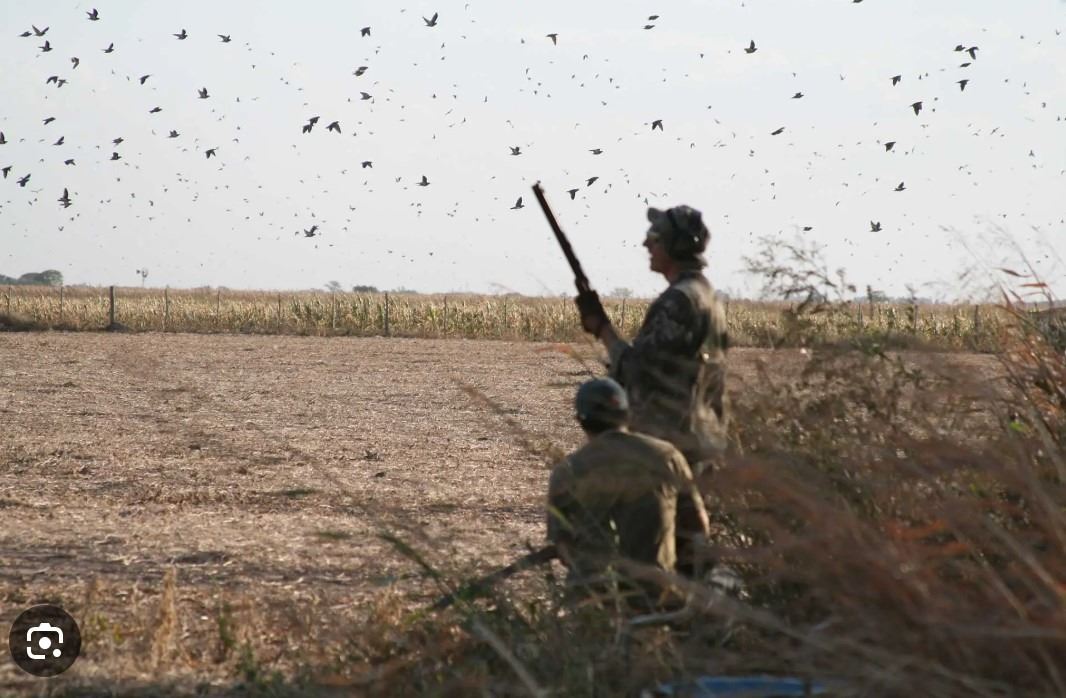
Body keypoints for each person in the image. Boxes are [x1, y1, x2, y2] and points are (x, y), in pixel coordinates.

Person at [576, 205, 730, 478]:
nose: (646, 244)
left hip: (672, 448)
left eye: (654, 238)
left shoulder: (680, 300)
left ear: (673, 246)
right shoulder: (707, 296)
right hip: (702, 440)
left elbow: (639, 372)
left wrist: (602, 328)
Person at [546, 378, 710, 609]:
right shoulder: (667, 456)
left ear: (581, 421)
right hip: (656, 595)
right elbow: (698, 528)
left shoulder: (568, 470)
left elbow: (564, 548)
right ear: (627, 414)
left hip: (592, 601)